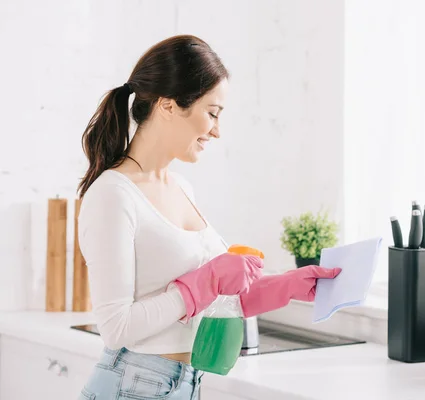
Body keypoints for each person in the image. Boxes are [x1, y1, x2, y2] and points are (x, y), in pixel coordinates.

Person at [76, 34, 341, 400]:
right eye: (212, 113)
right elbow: (116, 327)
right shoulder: (112, 194)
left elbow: (217, 298)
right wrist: (205, 281)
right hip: (133, 384)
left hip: (185, 384)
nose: (216, 130)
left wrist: (290, 285)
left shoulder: (182, 187)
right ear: (168, 106)